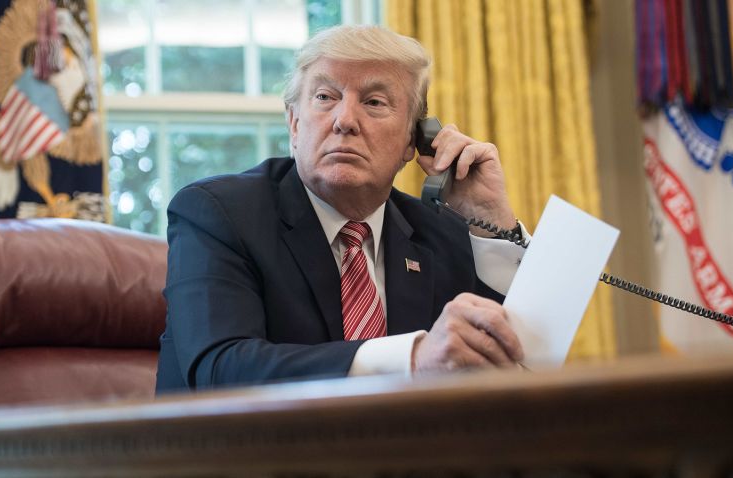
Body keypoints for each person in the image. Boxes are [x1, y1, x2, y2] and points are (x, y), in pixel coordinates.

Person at [155, 25, 528, 393]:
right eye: (324, 97)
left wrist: (493, 224)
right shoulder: (219, 214)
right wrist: (411, 359)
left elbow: (520, 368)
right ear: (294, 123)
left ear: (413, 142)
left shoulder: (440, 233)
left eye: (374, 102)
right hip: (246, 452)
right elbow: (221, 370)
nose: (345, 120)